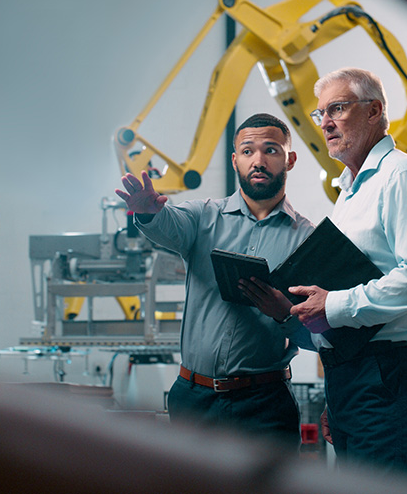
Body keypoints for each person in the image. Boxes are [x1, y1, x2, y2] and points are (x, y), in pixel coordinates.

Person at [114, 113, 315, 448]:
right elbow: (168, 224)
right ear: (235, 160)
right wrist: (148, 212)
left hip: (265, 405)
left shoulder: (307, 240)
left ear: (290, 159)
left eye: (271, 150)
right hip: (193, 401)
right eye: (248, 151)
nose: (259, 160)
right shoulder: (202, 216)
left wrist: (285, 314)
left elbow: (320, 335)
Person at [290, 67, 407, 484]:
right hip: (354, 370)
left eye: (337, 109)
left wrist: (334, 303)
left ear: (374, 111)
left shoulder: (403, 176)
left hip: (388, 370)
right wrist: (338, 391)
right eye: (321, 112)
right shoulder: (350, 189)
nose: (325, 122)